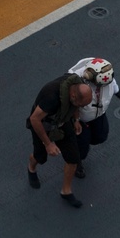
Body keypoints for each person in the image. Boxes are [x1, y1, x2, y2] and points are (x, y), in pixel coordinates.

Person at [26, 73, 93, 208]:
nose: (81, 106)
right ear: (73, 96)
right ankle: (31, 168)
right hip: (43, 125)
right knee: (41, 157)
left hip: (62, 122)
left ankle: (66, 191)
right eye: (81, 104)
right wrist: (48, 144)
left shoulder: (76, 86)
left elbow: (75, 106)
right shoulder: (52, 97)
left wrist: (76, 120)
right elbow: (34, 119)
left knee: (74, 158)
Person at [67, 58, 120, 179]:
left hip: (98, 114)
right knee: (82, 146)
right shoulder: (76, 82)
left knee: (101, 136)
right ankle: (77, 162)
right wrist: (75, 120)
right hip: (80, 119)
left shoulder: (103, 72)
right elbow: (72, 102)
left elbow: (111, 81)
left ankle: (80, 142)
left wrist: (119, 93)